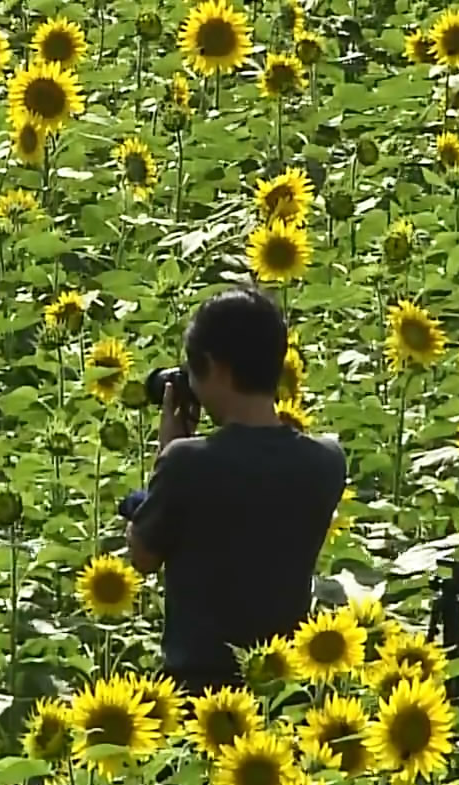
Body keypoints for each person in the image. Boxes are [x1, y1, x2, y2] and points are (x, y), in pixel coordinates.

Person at [125, 286, 346, 692]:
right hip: (282, 687)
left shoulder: (186, 463)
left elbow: (142, 555)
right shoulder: (328, 461)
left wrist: (167, 452)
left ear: (215, 366)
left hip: (199, 695)